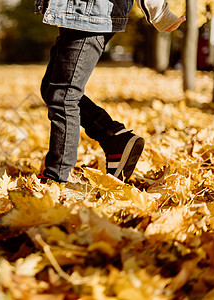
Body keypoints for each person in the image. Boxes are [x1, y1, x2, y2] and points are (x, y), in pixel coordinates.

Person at [36, 0, 185, 183]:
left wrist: (160, 14)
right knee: (51, 87)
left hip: (89, 14)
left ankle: (55, 178)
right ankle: (114, 139)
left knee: (64, 95)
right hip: (76, 14)